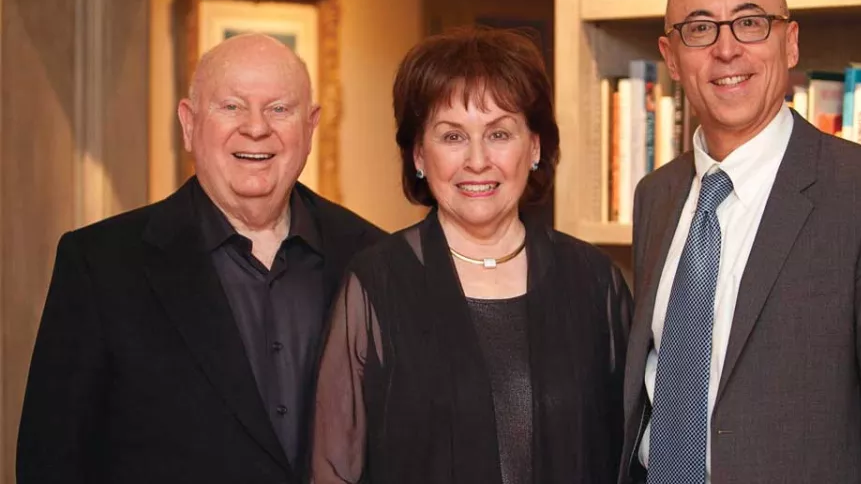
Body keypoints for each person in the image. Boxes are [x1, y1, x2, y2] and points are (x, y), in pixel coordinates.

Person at [620, 0, 861, 484]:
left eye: (750, 23)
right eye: (700, 29)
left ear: (789, 42)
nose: (727, 49)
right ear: (671, 57)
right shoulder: (656, 195)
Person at [17, 33, 384, 484]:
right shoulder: (100, 265)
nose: (256, 127)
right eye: (231, 106)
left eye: (279, 109)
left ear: (310, 127)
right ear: (189, 124)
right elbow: (50, 462)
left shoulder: (373, 259)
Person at [311, 26, 632, 484]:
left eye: (499, 133)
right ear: (419, 154)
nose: (477, 161)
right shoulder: (376, 284)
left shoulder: (594, 282)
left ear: (535, 146)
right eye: (453, 137)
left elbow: (627, 456)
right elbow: (334, 471)